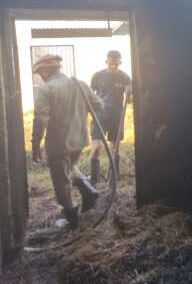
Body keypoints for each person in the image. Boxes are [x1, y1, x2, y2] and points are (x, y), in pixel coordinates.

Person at [31, 54, 103, 229]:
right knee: (72, 168)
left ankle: (71, 219)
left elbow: (41, 120)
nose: (40, 76)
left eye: (40, 72)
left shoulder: (46, 89)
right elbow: (99, 105)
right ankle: (89, 192)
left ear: (47, 70)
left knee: (60, 180)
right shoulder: (79, 84)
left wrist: (35, 144)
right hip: (78, 139)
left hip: (58, 144)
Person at [89, 50, 132, 185]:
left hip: (116, 116)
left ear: (120, 62)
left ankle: (113, 178)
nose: (113, 66)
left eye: (116, 63)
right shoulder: (97, 76)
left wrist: (130, 94)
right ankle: (93, 180)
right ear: (106, 61)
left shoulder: (125, 78)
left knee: (114, 148)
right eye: (111, 63)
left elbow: (129, 100)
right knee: (96, 148)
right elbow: (90, 96)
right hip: (99, 117)